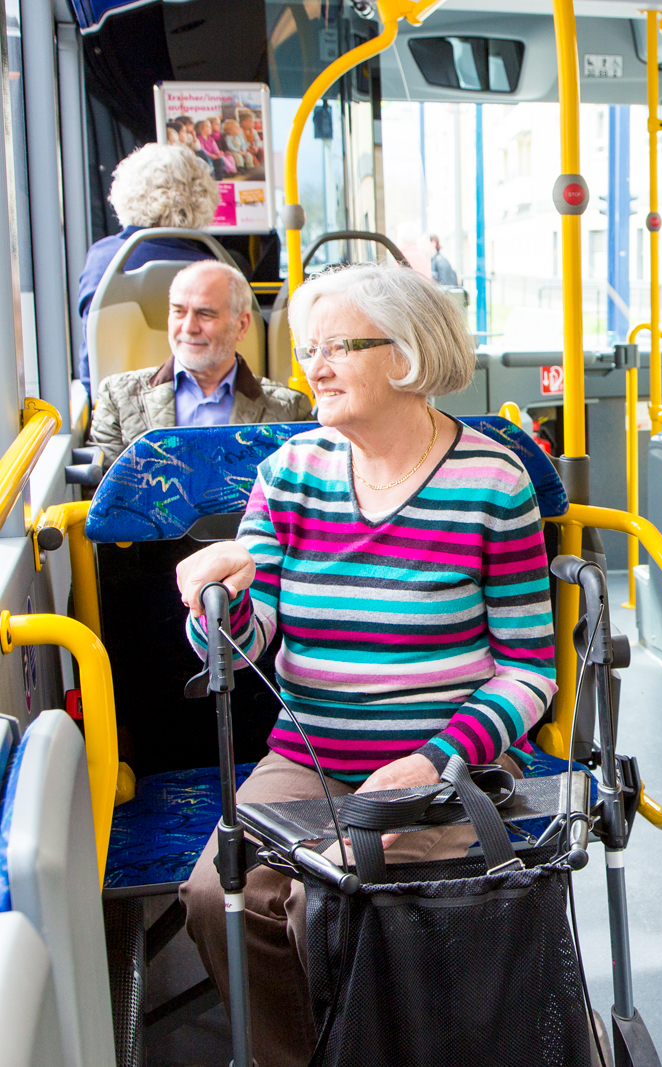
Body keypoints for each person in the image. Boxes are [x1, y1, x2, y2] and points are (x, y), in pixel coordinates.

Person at [174, 264, 559, 1067]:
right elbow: (246, 644)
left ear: (408, 355)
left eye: (337, 346)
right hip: (309, 754)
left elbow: (530, 671)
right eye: (307, 348)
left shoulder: (491, 481)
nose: (312, 366)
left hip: (446, 767)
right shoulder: (291, 474)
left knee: (337, 898)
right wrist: (218, 606)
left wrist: (429, 759)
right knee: (218, 896)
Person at [91, 261, 311, 463]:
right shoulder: (118, 397)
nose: (188, 327)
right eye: (178, 311)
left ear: (242, 325)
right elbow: (99, 494)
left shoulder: (288, 410)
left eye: (205, 314)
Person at [77, 144, 223, 388]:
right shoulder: (219, 267)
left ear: (126, 193)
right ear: (201, 197)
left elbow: (90, 354)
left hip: (116, 412)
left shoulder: (103, 259)